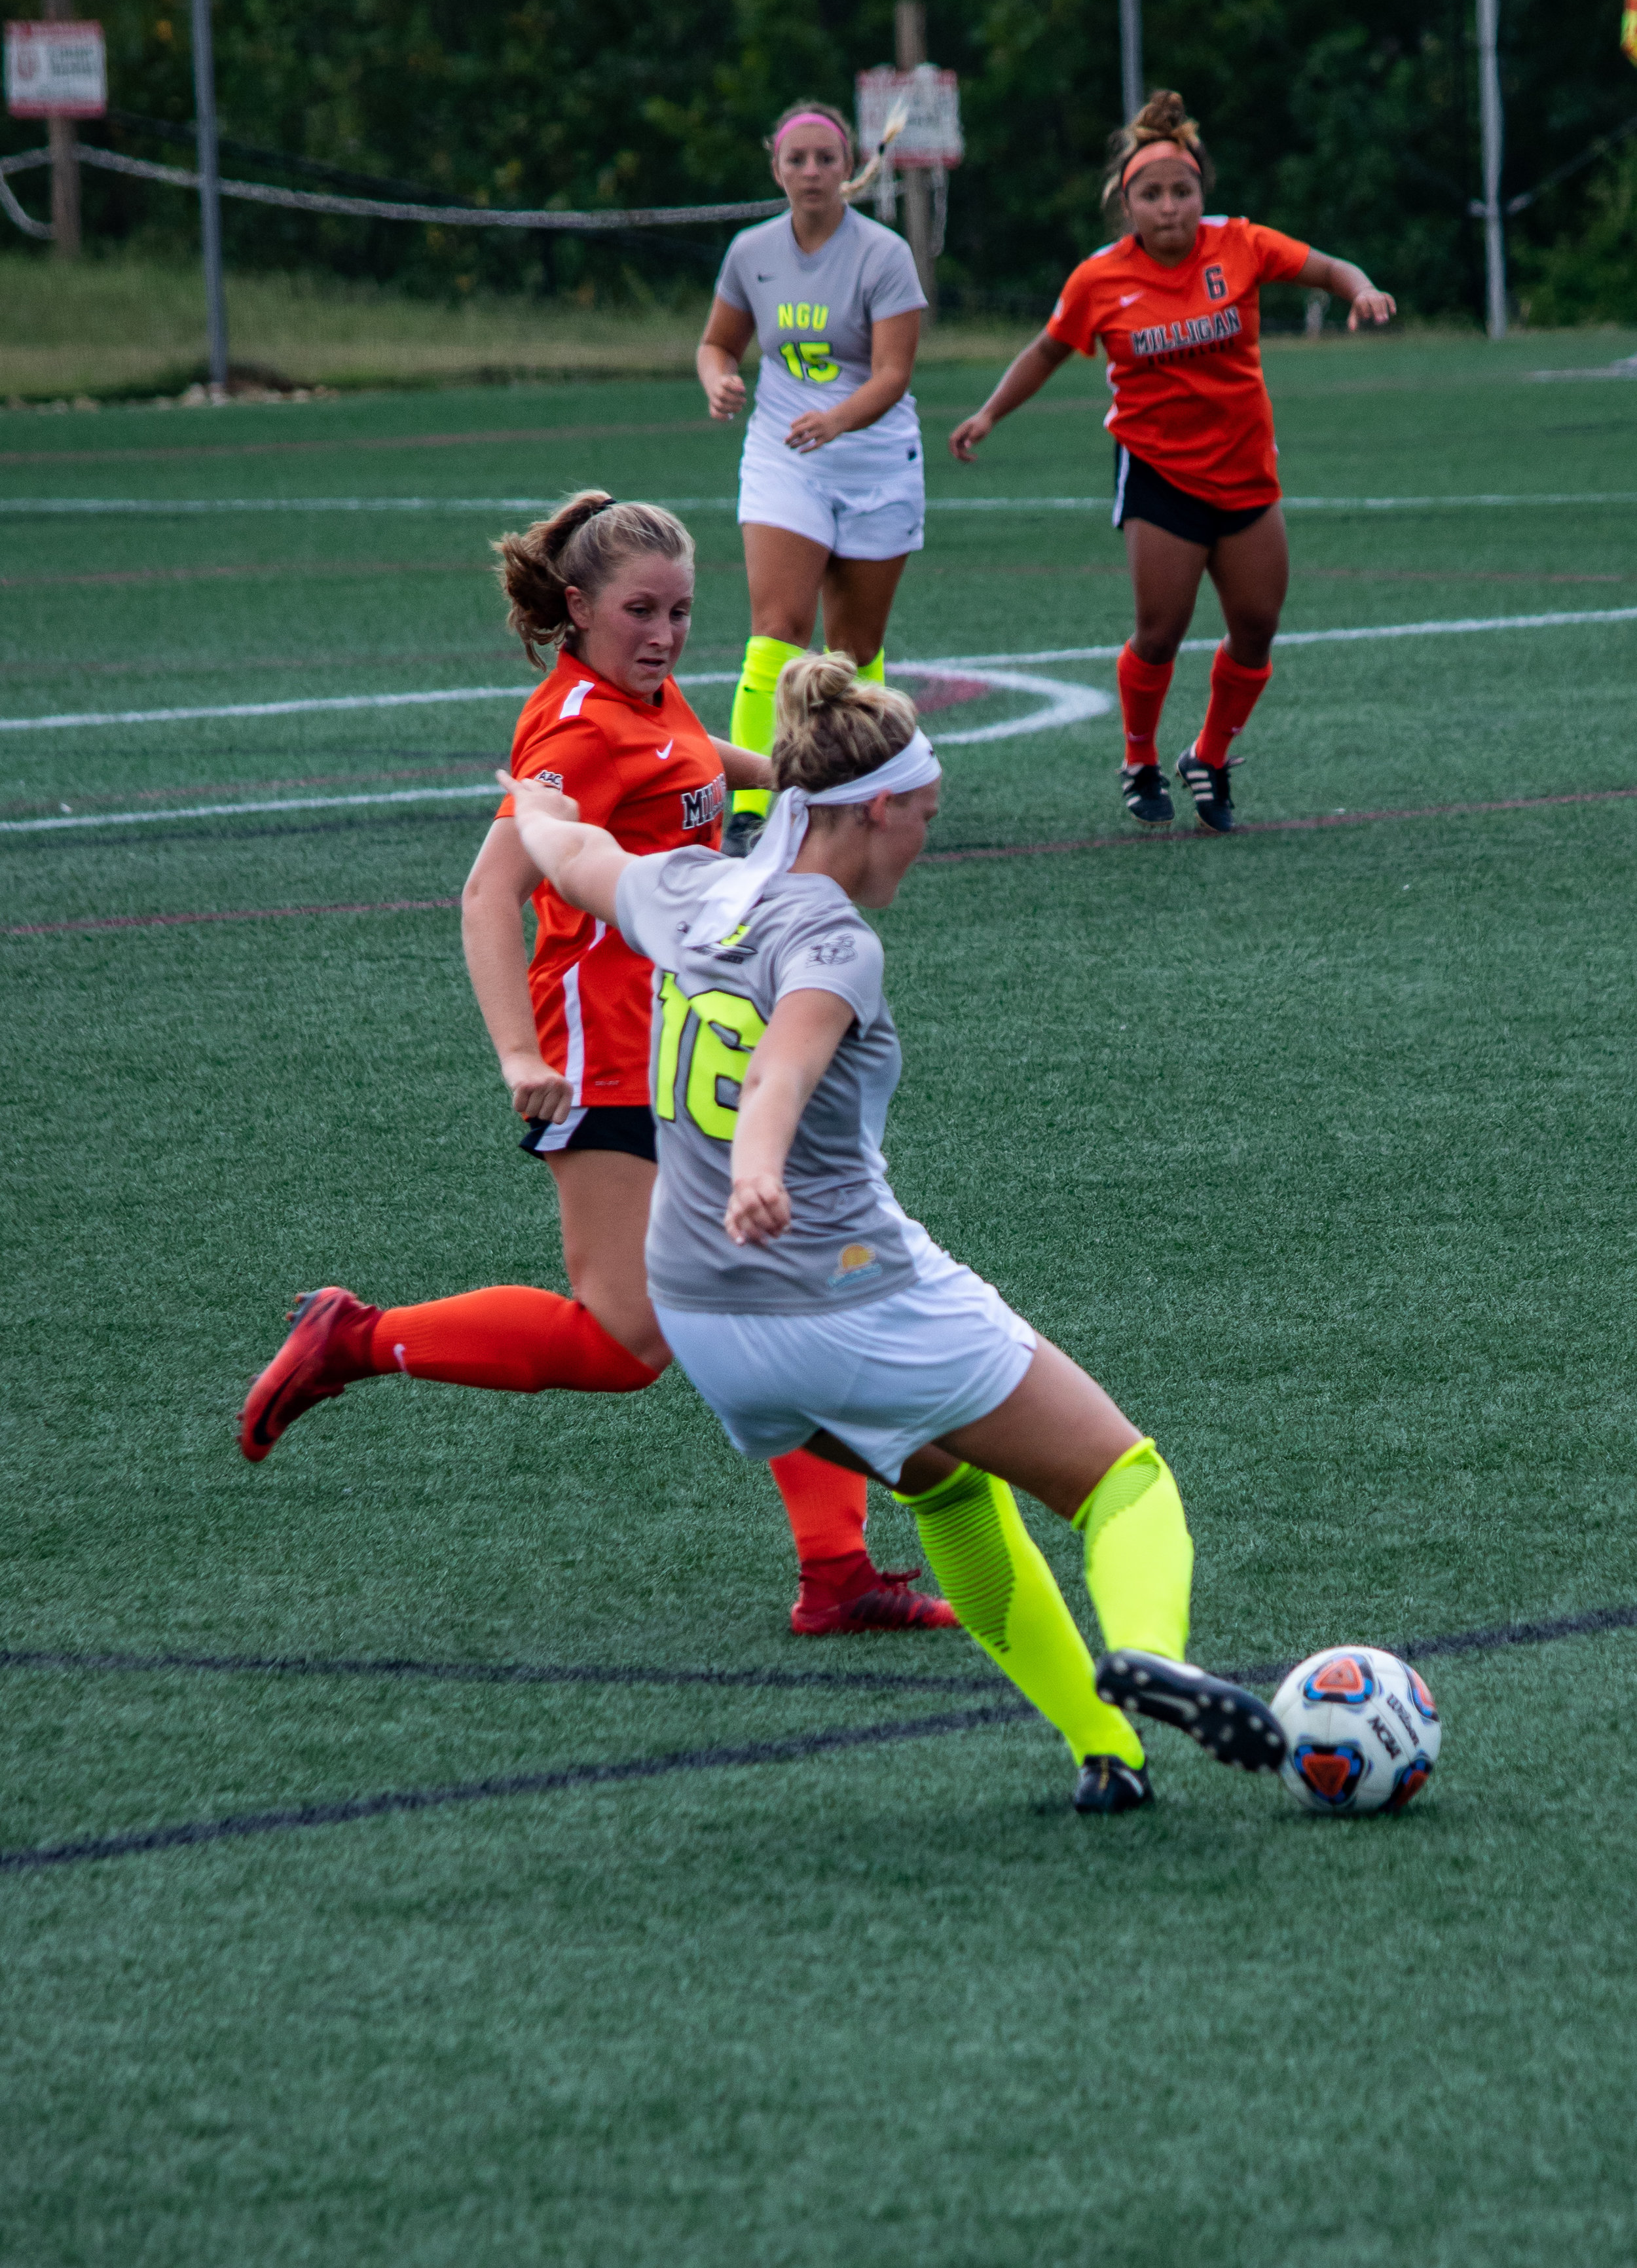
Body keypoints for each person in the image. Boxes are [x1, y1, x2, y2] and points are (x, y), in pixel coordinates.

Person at [496, 652, 1288, 1814]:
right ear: (874, 810)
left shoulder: (688, 886)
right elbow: (781, 1066)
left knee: (951, 1493)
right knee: (1125, 1480)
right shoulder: (835, 945)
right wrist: (759, 1170)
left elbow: (576, 857)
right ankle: (1157, 1654)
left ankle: (1105, 1751)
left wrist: (537, 805)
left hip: (709, 1324)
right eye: (924, 815)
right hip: (844, 1302)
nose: (928, 837)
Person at [238, 491, 955, 1640]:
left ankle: (838, 1575)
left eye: (680, 609)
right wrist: (519, 1054)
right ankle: (356, 1339)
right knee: (624, 1342)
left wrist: (826, 786)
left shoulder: (645, 697)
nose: (667, 633)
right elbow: (489, 893)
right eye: (641, 611)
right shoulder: (571, 727)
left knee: (780, 1286)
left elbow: (707, 763)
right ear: (577, 610)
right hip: (608, 1059)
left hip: (679, 1039)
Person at [949, 89, 1396, 834]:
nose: (1168, 208)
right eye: (1150, 195)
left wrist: (1362, 288)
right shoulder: (1099, 278)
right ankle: (1138, 758)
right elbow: (1047, 349)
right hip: (1158, 471)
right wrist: (990, 412)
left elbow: (1328, 269)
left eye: (1181, 191)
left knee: (1256, 627)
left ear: (1201, 194)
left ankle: (1210, 756)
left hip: (1246, 468)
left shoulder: (1241, 244)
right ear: (1126, 206)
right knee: (1160, 631)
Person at [697, 98, 927, 855]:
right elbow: (717, 345)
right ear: (776, 167)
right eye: (795, 160)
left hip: (872, 463)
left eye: (825, 159)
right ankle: (756, 799)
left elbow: (892, 373)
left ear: (847, 169)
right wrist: (718, 379)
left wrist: (838, 419)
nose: (810, 172)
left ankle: (867, 782)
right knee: (777, 632)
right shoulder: (751, 251)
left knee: (854, 649)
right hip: (782, 457)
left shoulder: (882, 254)